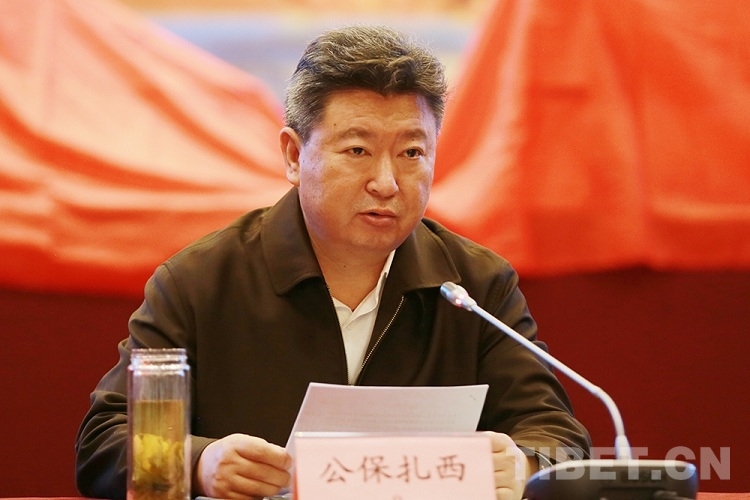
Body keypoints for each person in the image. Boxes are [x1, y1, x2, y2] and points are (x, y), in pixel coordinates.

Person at [75, 25, 590, 500]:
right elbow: (104, 440)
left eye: (412, 153)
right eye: (358, 150)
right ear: (293, 156)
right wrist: (198, 463)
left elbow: (560, 438)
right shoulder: (201, 281)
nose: (386, 183)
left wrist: (524, 464)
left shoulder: (475, 286)